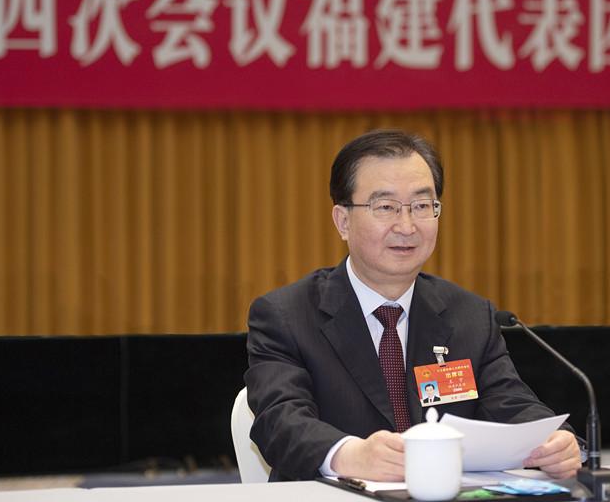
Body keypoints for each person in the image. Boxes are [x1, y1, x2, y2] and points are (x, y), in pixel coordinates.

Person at [246, 129, 582, 482]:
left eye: (422, 206)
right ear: (343, 221)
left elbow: (511, 404)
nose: (406, 226)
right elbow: (279, 420)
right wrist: (349, 454)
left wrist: (554, 443)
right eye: (386, 207)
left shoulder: (470, 316)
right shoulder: (286, 316)